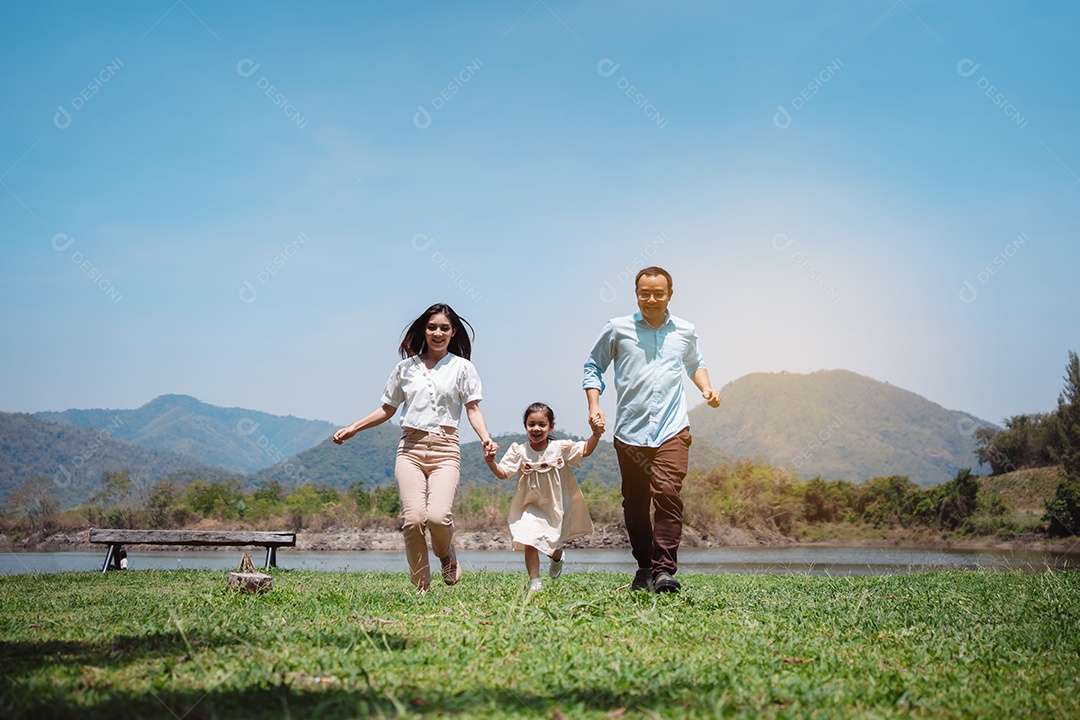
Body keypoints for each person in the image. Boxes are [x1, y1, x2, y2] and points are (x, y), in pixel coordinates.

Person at [334, 303, 498, 594]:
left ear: (453, 331)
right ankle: (421, 585)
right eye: (432, 327)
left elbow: (473, 409)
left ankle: (446, 555)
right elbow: (387, 409)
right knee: (412, 520)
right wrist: (353, 428)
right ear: (424, 329)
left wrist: (485, 437)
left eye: (444, 328)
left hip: (446, 450)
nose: (438, 333)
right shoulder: (405, 368)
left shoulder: (462, 367)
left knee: (437, 517)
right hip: (409, 449)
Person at [583, 267, 721, 593]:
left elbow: (695, 363)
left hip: (673, 428)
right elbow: (593, 366)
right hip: (630, 431)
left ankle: (663, 571)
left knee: (668, 493)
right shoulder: (618, 328)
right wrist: (594, 406)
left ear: (670, 295)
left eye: (659, 293)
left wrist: (707, 388)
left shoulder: (685, 330)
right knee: (634, 503)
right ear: (636, 294)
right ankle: (644, 566)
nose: (651, 299)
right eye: (645, 293)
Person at [484, 403, 600, 591]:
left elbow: (585, 450)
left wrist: (596, 434)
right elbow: (503, 473)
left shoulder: (559, 447)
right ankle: (534, 581)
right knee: (529, 539)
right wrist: (490, 461)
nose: (536, 429)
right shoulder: (520, 451)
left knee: (552, 543)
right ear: (525, 426)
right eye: (531, 424)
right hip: (530, 505)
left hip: (555, 505)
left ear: (551, 427)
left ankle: (557, 557)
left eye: (542, 424)